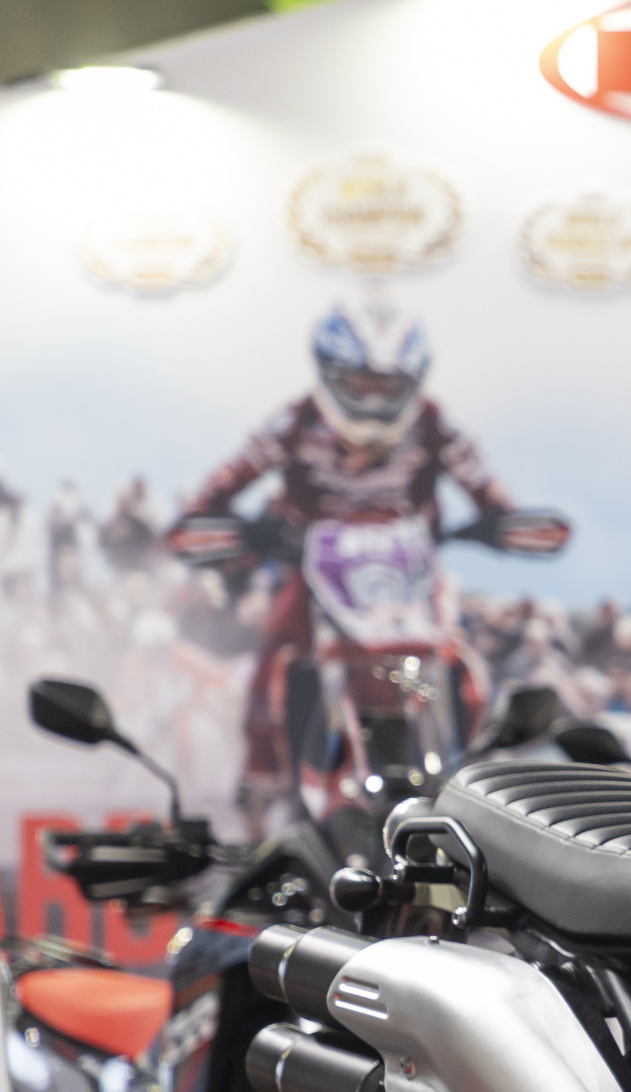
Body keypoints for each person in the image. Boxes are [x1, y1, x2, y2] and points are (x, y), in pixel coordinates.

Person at [179, 298, 530, 816]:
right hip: (317, 573)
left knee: (456, 658)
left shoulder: (432, 421)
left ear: (413, 381)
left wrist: (501, 522)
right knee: (278, 649)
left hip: (411, 578)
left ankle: (470, 774)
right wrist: (241, 529)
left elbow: (490, 490)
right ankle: (262, 779)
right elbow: (217, 490)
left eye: (388, 386)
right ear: (329, 373)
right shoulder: (294, 420)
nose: (374, 400)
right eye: (360, 383)